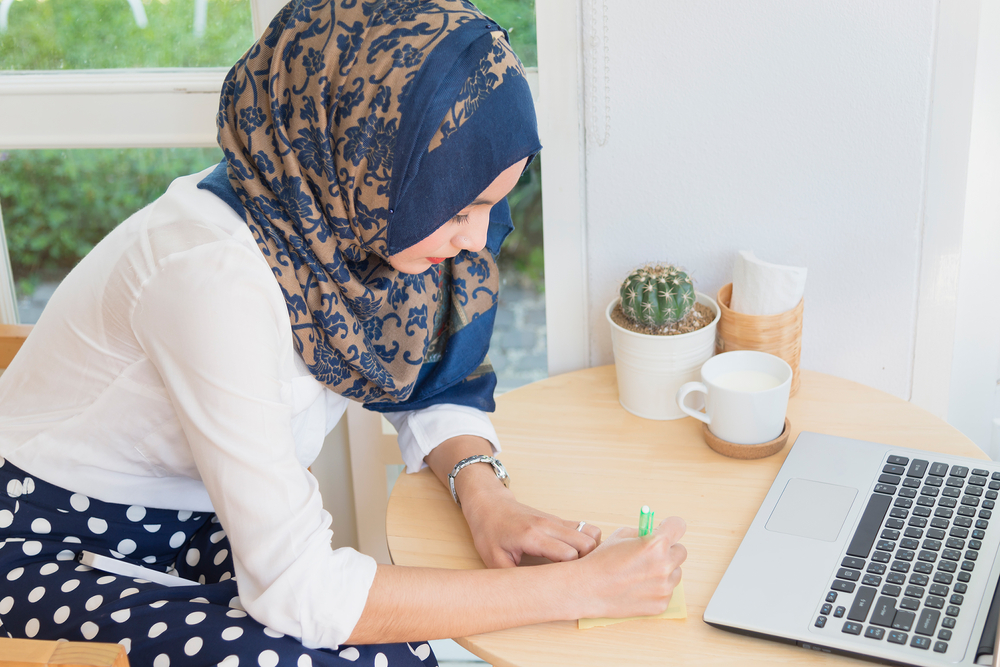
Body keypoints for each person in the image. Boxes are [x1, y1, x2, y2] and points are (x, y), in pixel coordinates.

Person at [0, 1, 687, 665]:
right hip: (41, 545)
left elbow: (426, 369)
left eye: (493, 201)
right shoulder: (212, 281)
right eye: (463, 204)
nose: (479, 236)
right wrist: (577, 588)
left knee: (394, 643)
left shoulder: (349, 220)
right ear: (373, 155)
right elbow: (301, 593)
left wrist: (486, 495)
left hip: (186, 515)